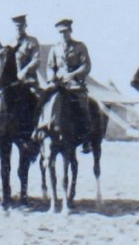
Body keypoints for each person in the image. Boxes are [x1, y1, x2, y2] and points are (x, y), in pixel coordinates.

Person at [45, 19, 93, 153]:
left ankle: (85, 139)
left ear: (70, 31)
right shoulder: (55, 49)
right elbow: (50, 67)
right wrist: (51, 79)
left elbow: (86, 65)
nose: (63, 35)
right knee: (46, 104)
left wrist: (73, 75)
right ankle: (43, 131)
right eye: (60, 32)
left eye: (65, 31)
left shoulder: (79, 46)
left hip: (76, 86)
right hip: (59, 85)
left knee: (83, 109)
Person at [10, 14, 43, 113]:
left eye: (21, 25)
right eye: (17, 26)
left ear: (25, 25)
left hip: (29, 82)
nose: (19, 28)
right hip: (13, 83)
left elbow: (36, 60)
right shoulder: (10, 43)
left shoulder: (32, 41)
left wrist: (24, 71)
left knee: (39, 102)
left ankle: (40, 126)